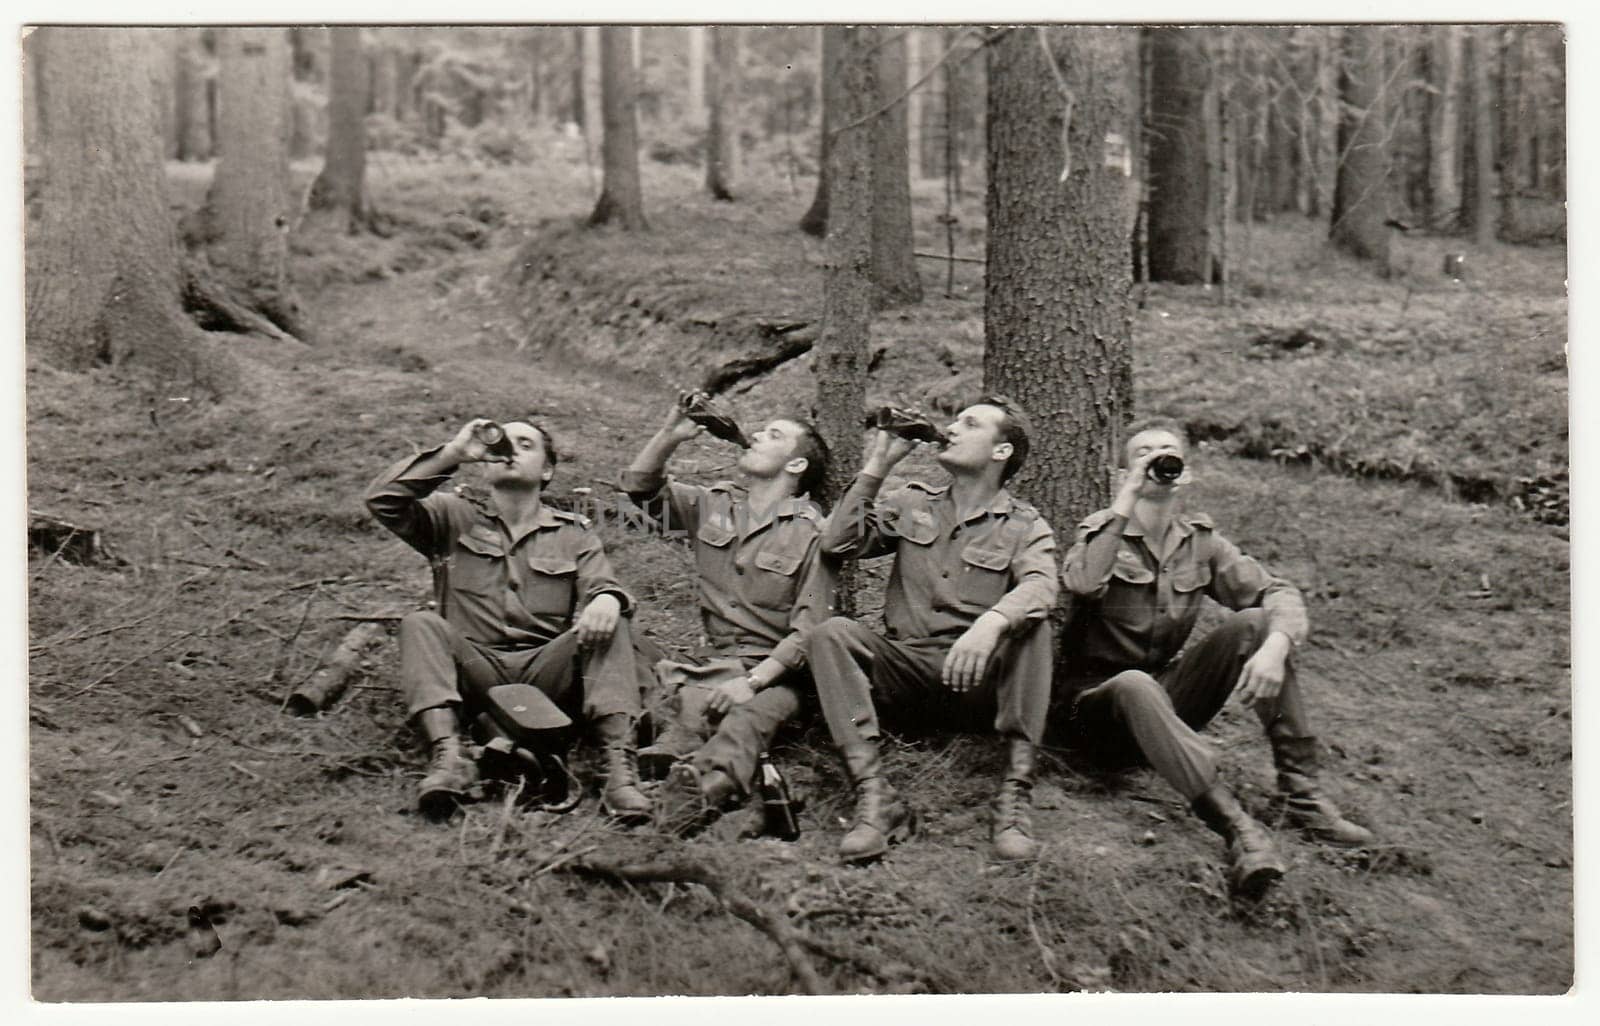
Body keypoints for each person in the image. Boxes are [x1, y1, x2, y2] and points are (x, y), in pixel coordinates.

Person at [1056, 416, 1375, 896]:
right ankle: (1238, 829)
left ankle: (1301, 793)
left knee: (1259, 623)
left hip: (1165, 701)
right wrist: (1125, 501)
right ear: (1121, 472)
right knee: (1134, 684)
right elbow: (1082, 583)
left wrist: (1275, 646)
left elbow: (1277, 591)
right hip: (1094, 714)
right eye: (1142, 453)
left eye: (1167, 452)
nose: (1156, 460)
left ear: (1186, 472)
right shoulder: (1100, 532)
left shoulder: (1201, 543)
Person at [809, 397, 1058, 863]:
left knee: (1034, 628)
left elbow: (1043, 586)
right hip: (906, 674)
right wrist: (878, 465)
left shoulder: (1026, 525)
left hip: (979, 686)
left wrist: (993, 621)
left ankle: (1014, 797)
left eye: (970, 423)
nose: (951, 428)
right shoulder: (912, 501)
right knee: (831, 633)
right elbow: (836, 542)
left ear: (1001, 451)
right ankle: (875, 797)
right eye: (953, 420)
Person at [365, 417, 652, 821]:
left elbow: (602, 583)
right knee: (421, 622)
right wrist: (454, 453)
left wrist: (606, 598)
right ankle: (449, 757)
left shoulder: (574, 533)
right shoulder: (451, 515)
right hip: (472, 670)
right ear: (485, 463)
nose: (512, 450)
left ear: (547, 469)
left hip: (546, 675)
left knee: (614, 620)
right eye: (506, 442)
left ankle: (617, 771)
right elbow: (382, 500)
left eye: (526, 444)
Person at [621, 394, 835, 834]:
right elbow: (640, 489)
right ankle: (677, 734)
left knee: (748, 715)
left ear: (795, 466)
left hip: (770, 673)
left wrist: (751, 682)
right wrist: (670, 435)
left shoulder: (814, 533)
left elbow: (809, 630)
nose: (756, 435)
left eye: (773, 435)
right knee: (619, 639)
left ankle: (701, 786)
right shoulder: (713, 504)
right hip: (710, 660)